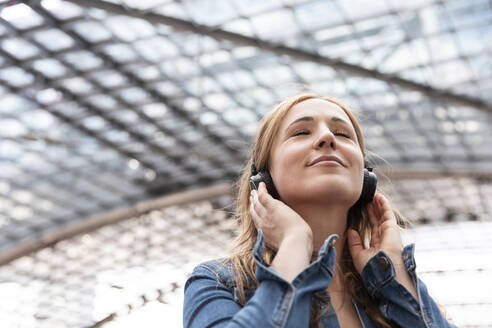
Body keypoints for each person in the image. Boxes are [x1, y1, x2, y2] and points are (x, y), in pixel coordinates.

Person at [183, 93, 455, 327]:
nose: (327, 137)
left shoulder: (391, 292)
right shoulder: (218, 282)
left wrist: (397, 277)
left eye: (342, 134)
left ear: (365, 177)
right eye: (301, 132)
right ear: (263, 179)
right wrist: (294, 243)